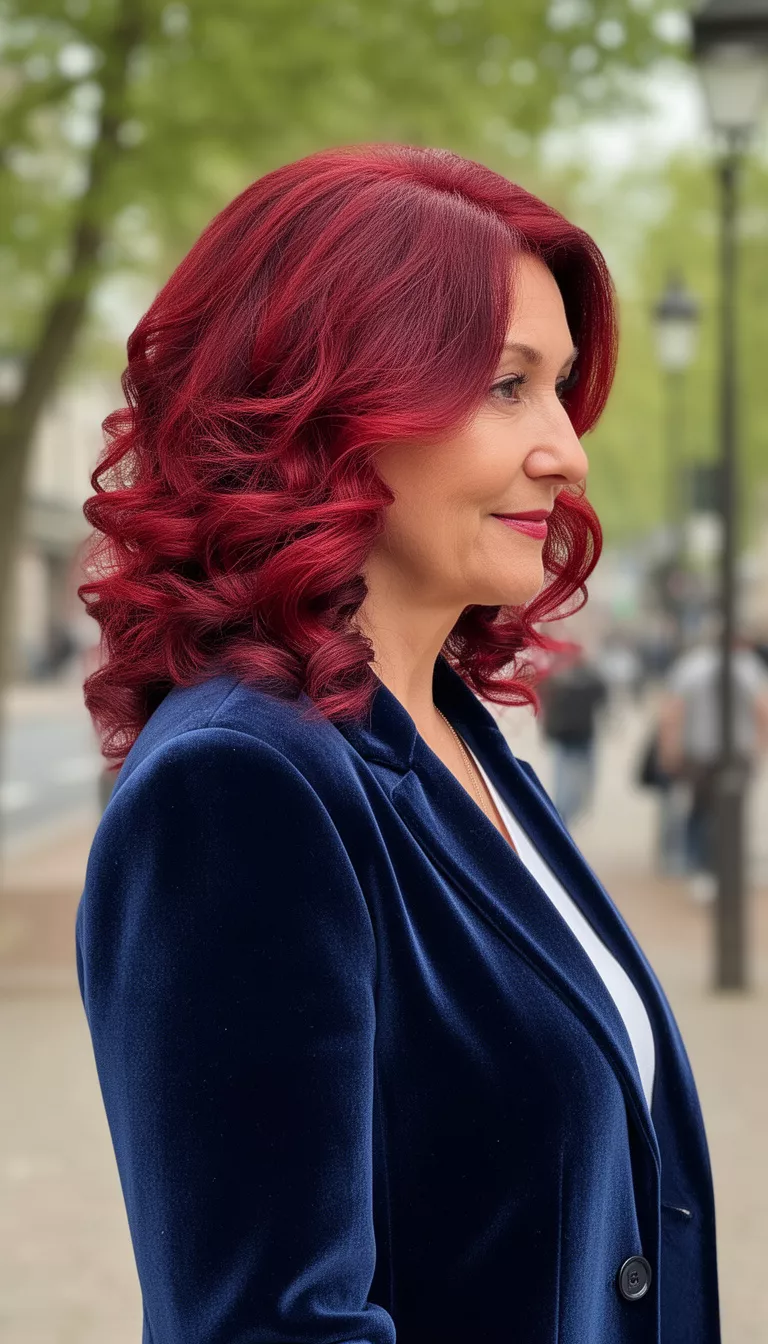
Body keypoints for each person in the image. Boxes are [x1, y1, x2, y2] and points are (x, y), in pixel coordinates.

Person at [76, 145, 720, 1344]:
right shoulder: (244, 781)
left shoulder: (449, 733)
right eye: (505, 385)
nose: (569, 451)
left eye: (560, 388)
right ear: (331, 408)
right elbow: (274, 1324)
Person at [657, 629, 768, 903]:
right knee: (733, 812)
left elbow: (672, 710)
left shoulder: (691, 665)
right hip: (738, 752)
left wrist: (669, 748)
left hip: (699, 751)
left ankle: (699, 868)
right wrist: (760, 745)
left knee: (700, 811)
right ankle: (725, 867)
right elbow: (762, 707)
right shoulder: (748, 666)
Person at [536, 647, 608, 827]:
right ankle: (567, 813)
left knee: (567, 777)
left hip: (570, 737)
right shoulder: (587, 680)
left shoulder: (556, 680)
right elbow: (602, 694)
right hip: (577, 736)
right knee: (577, 778)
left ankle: (565, 813)